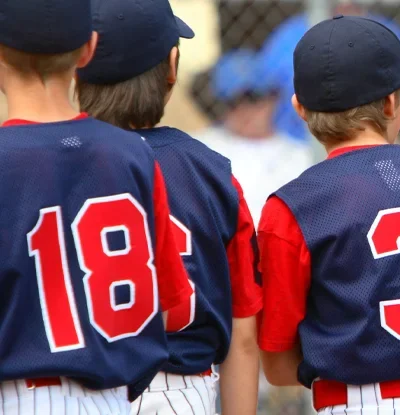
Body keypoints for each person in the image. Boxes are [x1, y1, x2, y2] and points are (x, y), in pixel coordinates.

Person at [257, 16, 400, 415]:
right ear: (391, 102)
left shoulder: (292, 208)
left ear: (299, 108)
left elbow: (277, 365)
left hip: (350, 402)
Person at [0, 0, 194, 413]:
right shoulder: (132, 155)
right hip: (115, 397)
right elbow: (163, 307)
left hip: (19, 395)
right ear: (88, 50)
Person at [74, 0, 264, 413]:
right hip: (178, 393)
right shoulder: (211, 174)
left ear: (76, 64)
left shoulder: (51, 159)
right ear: (171, 69)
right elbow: (244, 336)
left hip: (73, 388)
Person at [259, 1, 400, 141]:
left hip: (372, 142)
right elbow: (258, 103)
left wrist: (364, 108)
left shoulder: (386, 33)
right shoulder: (289, 35)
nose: (346, 3)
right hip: (295, 148)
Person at [196, 50, 316, 222]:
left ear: (274, 97)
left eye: (252, 98)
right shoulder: (199, 147)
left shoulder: (301, 156)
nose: (243, 110)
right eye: (232, 102)